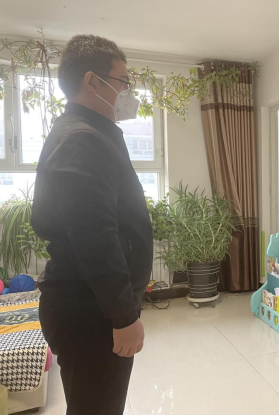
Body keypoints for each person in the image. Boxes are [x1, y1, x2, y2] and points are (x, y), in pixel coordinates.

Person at [32, 35, 153, 415]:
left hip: (90, 305)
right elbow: (95, 238)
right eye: (123, 81)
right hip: (90, 312)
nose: (127, 92)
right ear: (92, 82)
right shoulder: (81, 140)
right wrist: (123, 316)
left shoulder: (88, 132)